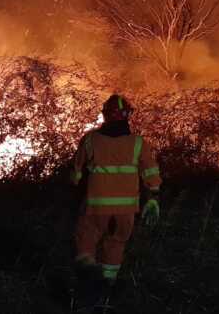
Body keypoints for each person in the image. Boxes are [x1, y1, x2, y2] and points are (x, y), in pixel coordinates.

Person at [71, 94, 162, 305]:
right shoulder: (138, 143)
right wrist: (154, 199)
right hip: (126, 212)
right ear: (127, 116)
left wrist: (74, 187)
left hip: (95, 209)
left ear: (105, 115)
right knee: (115, 246)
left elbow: (75, 175)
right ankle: (105, 294)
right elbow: (152, 175)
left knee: (85, 245)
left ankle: (87, 290)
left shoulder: (91, 140)